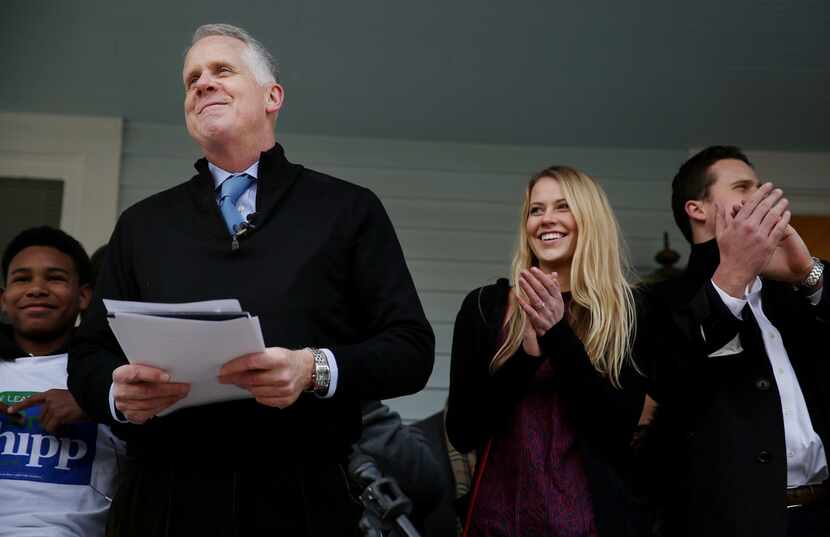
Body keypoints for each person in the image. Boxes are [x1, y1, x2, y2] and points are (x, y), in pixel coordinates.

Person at [67, 23, 434, 536]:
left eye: (221, 70)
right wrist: (115, 394)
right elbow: (88, 356)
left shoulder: (346, 210)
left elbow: (411, 349)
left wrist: (312, 369)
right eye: (191, 78)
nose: (202, 83)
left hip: (303, 500)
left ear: (272, 96)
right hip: (164, 502)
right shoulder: (142, 224)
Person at [445, 166, 647, 536]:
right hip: (497, 523)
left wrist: (558, 336)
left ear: (589, 218)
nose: (546, 219)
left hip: (590, 524)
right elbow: (463, 431)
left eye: (562, 206)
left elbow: (616, 431)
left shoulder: (628, 311)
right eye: (536, 210)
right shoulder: (484, 307)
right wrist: (525, 358)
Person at [642, 145, 829, 537]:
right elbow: (673, 382)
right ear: (698, 209)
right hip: (731, 522)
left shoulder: (790, 288)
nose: (759, 195)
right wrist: (731, 279)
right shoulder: (658, 301)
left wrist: (807, 273)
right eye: (744, 186)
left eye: (759, 186)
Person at [0, 226, 123, 537]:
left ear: (84, 296)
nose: (36, 289)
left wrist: (93, 403)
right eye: (22, 279)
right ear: (4, 299)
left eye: (54, 278)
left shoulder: (111, 371)